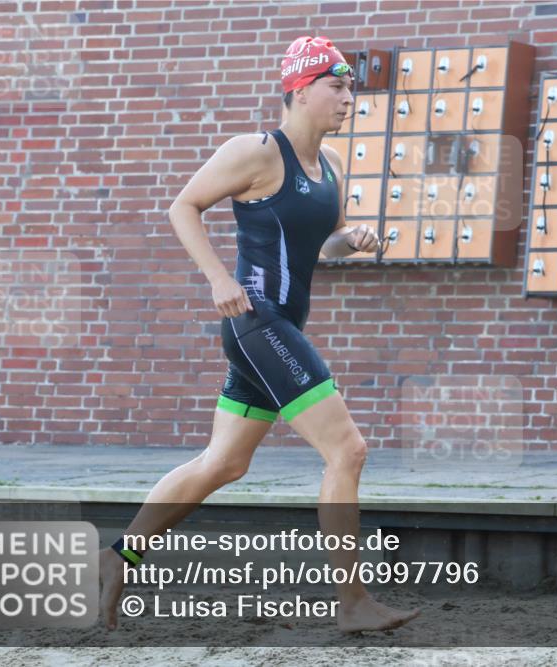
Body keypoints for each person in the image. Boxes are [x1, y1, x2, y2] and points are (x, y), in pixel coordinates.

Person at [98, 35, 418, 634]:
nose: (349, 98)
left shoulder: (330, 168)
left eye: (351, 87)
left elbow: (318, 241)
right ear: (299, 91)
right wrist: (219, 278)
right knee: (347, 450)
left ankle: (117, 559)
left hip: (275, 330)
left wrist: (348, 242)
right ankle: (353, 603)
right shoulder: (256, 151)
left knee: (223, 463)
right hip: (256, 322)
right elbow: (183, 207)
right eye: (337, 85)